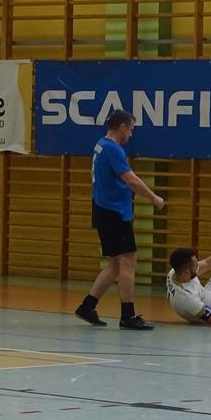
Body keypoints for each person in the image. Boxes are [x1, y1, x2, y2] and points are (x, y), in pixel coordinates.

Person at [75, 109, 166, 330]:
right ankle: (127, 315)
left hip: (104, 209)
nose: (131, 134)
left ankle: (87, 306)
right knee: (128, 261)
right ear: (122, 127)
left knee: (115, 265)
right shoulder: (113, 149)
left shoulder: (100, 144)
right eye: (131, 129)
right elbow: (131, 180)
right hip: (113, 212)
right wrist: (153, 197)